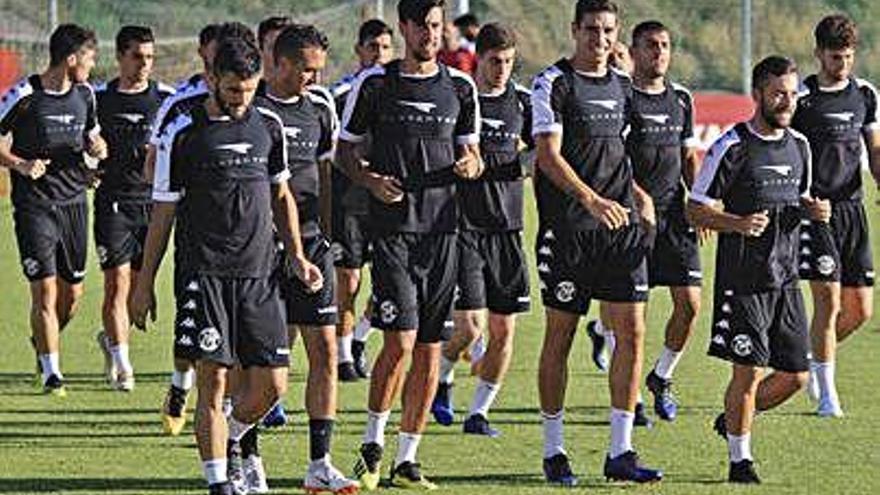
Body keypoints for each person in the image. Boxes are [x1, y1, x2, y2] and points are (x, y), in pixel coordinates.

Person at [132, 37, 322, 495]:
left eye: (250, 91)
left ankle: (234, 436)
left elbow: (281, 196)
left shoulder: (268, 126)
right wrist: (144, 283)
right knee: (213, 381)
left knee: (274, 386)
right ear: (214, 79)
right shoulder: (185, 132)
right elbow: (163, 212)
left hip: (260, 274)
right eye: (234, 90)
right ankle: (219, 482)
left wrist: (296, 256)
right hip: (205, 274)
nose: (242, 101)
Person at [337, 0, 482, 489]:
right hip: (394, 232)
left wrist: (471, 165)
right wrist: (371, 181)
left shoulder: (461, 85)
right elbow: (344, 151)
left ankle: (407, 458)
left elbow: (473, 151)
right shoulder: (375, 83)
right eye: (422, 26)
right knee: (398, 342)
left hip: (444, 234)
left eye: (437, 26)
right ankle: (372, 444)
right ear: (405, 28)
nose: (431, 34)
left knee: (429, 349)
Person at [531, 0, 662, 485]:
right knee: (560, 337)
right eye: (591, 30)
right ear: (575, 30)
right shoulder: (554, 84)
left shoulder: (625, 87)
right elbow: (547, 156)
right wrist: (589, 200)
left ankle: (621, 451)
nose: (600, 39)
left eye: (608, 31)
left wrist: (641, 197)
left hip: (620, 229)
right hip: (570, 231)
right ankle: (554, 450)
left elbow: (619, 155)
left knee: (631, 332)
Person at [688, 55, 830, 484]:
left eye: (791, 94)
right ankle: (740, 460)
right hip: (743, 279)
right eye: (778, 94)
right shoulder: (731, 146)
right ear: (758, 96)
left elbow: (800, 198)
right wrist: (736, 223)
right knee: (747, 372)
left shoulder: (800, 145)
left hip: (786, 278)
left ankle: (732, 418)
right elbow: (694, 209)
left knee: (795, 377)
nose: (786, 102)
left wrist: (813, 209)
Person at [254, 23, 359, 494]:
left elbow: (326, 172)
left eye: (318, 71)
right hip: (259, 249)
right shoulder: (251, 106)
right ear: (278, 63)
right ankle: (245, 453)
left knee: (325, 351)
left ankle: (319, 463)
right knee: (258, 363)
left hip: (314, 243)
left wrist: (333, 240)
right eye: (306, 71)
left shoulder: (321, 107)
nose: (314, 80)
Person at [140, 21, 255, 437]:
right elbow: (155, 165)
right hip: (197, 243)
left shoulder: (253, 108)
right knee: (191, 338)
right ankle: (179, 385)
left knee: (237, 349)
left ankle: (226, 425)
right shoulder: (180, 108)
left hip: (246, 250)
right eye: (211, 54)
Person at [430, 22, 532, 437]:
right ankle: (440, 379)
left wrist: (520, 167)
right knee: (469, 327)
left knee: (504, 330)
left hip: (507, 228)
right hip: (464, 228)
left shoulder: (523, 102)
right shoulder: (460, 98)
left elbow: (542, 151)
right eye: (494, 61)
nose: (501, 70)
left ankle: (479, 413)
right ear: (479, 59)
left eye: (508, 62)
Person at [0, 23, 105, 396]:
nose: (93, 66)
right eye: (90, 59)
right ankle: (51, 373)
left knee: (71, 297)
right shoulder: (25, 94)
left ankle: (43, 343)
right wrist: (20, 165)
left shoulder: (86, 95)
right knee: (43, 291)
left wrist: (97, 152)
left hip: (75, 203)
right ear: (72, 58)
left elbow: (92, 136)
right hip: (34, 206)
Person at [791, 14, 880, 418]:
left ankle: (810, 356)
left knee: (860, 310)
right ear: (818, 55)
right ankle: (828, 395)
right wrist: (800, 199)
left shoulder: (865, 94)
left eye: (846, 56)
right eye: (833, 56)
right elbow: (785, 149)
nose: (840, 63)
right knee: (826, 302)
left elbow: (874, 150)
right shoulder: (802, 97)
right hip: (816, 212)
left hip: (853, 211)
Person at [624, 20, 702, 422]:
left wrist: (703, 201)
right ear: (634, 52)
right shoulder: (621, 97)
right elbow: (612, 160)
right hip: (632, 219)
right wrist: (637, 198)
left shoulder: (682, 98)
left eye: (665, 45)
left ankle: (662, 375)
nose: (659, 53)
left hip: (675, 215)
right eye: (651, 46)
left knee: (690, 306)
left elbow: (690, 158)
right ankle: (632, 396)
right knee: (633, 319)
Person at [93, 25, 175, 392]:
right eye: (137, 57)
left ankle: (110, 340)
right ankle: (125, 365)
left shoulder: (165, 99)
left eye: (150, 58)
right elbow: (81, 141)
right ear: (120, 57)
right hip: (113, 202)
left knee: (139, 287)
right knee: (117, 283)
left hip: (151, 206)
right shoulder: (98, 99)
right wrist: (88, 160)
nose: (144, 64)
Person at [331, 18, 394, 383]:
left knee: (387, 281)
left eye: (386, 48)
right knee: (349, 280)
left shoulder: (395, 89)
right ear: (359, 50)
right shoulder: (340, 94)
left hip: (386, 200)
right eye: (373, 47)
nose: (380, 55)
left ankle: (359, 338)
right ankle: (342, 356)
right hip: (350, 199)